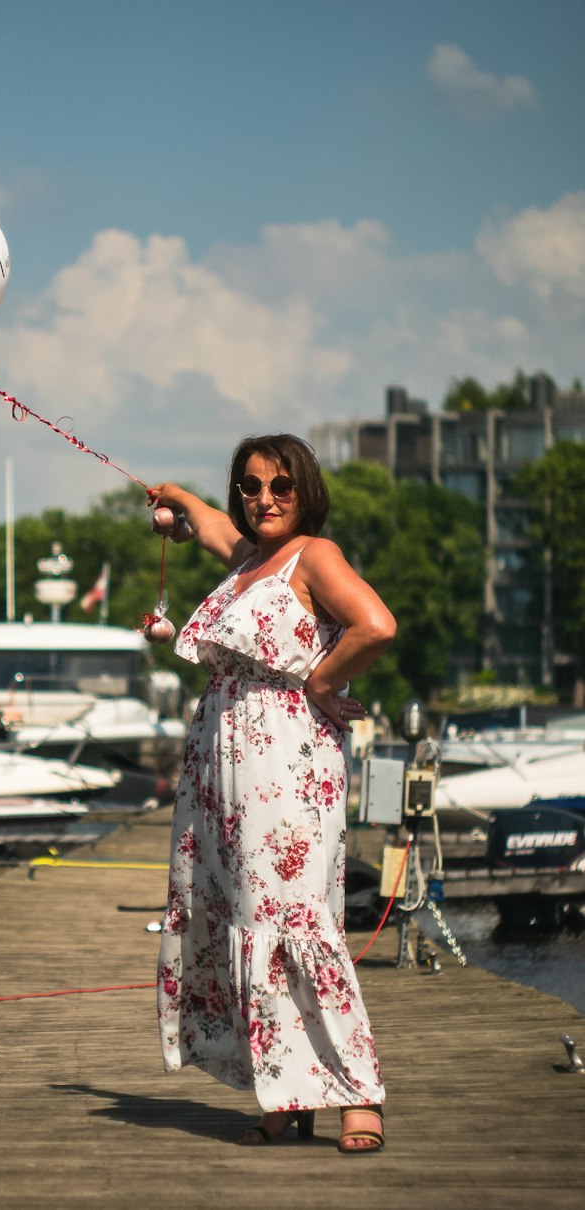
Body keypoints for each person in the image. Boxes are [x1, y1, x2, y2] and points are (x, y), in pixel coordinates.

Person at [151, 433, 396, 1154]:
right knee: (238, 916)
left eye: (280, 486)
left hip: (282, 756)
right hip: (220, 762)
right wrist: (182, 500)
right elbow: (218, 530)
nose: (264, 499)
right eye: (251, 486)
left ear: (305, 490)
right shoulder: (250, 561)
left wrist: (321, 682)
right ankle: (288, 1089)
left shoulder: (313, 555)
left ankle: (359, 1091)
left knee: (291, 917)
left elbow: (376, 625)